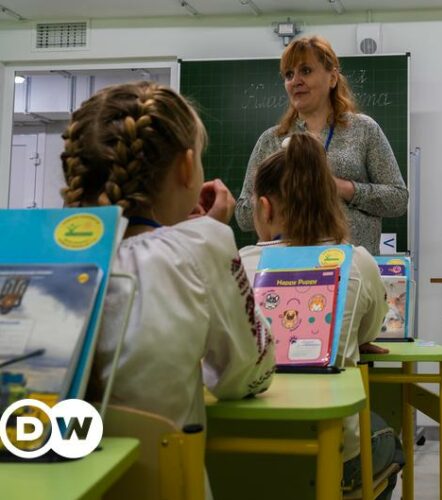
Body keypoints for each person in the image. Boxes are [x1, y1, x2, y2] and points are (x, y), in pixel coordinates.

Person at [61, 82, 276, 434]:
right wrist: (207, 239)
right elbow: (250, 374)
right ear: (187, 167)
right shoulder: (202, 244)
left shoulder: (39, 258)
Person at [239, 132, 403, 499]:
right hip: (330, 457)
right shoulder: (357, 261)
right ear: (331, 204)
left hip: (240, 452)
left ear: (264, 208)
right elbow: (368, 331)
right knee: (389, 439)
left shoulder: (237, 264)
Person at [235, 35, 408, 256]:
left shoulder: (364, 130)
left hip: (352, 270)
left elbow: (398, 200)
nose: (295, 80)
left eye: (305, 71)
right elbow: (243, 215)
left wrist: (342, 188)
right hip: (288, 273)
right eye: (289, 74)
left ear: (333, 78)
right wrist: (288, 193)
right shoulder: (271, 140)